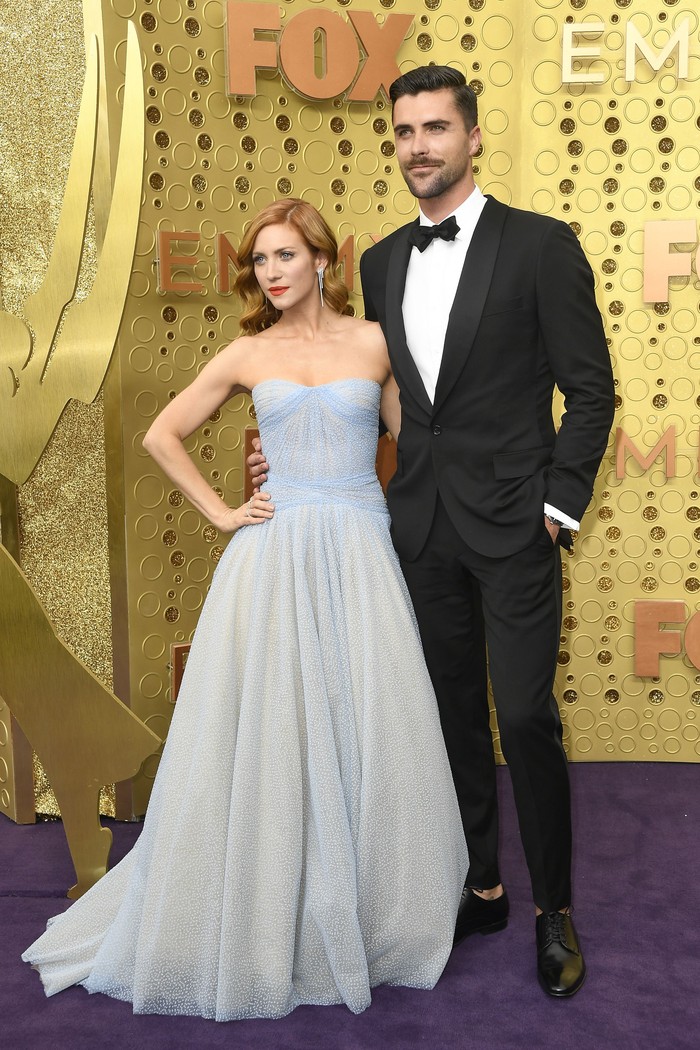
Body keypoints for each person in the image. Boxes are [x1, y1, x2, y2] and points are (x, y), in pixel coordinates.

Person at [21, 199, 468, 1020]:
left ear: (322, 261)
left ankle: (365, 906)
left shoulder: (372, 343)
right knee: (279, 726)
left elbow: (416, 447)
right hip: (275, 553)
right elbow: (163, 435)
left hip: (362, 549)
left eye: (286, 255)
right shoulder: (245, 351)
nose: (272, 271)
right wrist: (227, 511)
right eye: (261, 259)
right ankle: (273, 906)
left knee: (361, 723)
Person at [250, 67, 615, 998]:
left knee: (526, 714)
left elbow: (592, 389)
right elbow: (394, 402)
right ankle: (482, 884)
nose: (418, 146)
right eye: (405, 132)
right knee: (448, 714)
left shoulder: (541, 245)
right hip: (416, 526)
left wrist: (559, 504)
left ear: (474, 137)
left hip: (518, 525)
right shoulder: (378, 264)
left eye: (435, 129)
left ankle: (553, 910)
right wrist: (290, 458)